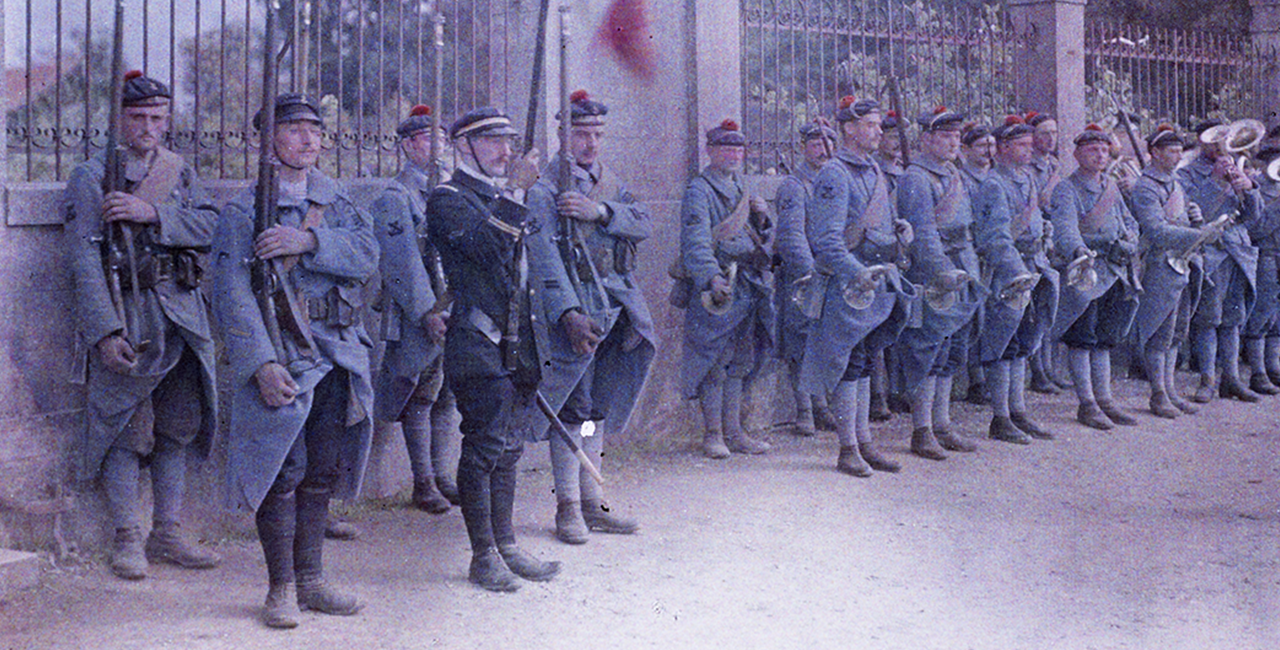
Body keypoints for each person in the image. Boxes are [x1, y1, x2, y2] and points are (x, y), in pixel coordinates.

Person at [214, 93, 377, 627]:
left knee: (323, 467)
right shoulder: (244, 209)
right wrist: (260, 364)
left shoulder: (339, 201)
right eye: (293, 130)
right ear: (268, 140)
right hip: (282, 355)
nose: (308, 140)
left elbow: (367, 257)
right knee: (283, 469)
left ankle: (311, 580)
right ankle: (280, 587)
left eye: (314, 130)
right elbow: (231, 293)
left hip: (337, 351)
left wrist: (308, 240)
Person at [65, 70, 221, 581]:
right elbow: (83, 259)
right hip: (128, 312)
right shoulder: (92, 176)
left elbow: (211, 225)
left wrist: (151, 211)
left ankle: (167, 531)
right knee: (125, 427)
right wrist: (104, 332)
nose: (148, 127)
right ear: (119, 119)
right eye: (138, 118)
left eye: (157, 118)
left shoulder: (180, 171)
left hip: (181, 315)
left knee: (177, 425)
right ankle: (127, 536)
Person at [424, 106, 580, 592]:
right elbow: (486, 248)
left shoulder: (503, 196)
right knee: (484, 445)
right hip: (477, 341)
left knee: (509, 449)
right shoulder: (448, 199)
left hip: (522, 341)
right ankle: (482, 554)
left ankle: (507, 544)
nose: (505, 151)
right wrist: (515, 194)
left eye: (508, 141)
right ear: (463, 146)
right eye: (491, 141)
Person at [527, 90, 652, 545]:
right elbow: (543, 258)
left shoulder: (609, 184)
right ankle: (567, 507)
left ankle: (592, 502)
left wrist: (599, 212)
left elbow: (643, 221)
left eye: (597, 133)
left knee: (594, 408)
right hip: (578, 314)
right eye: (581, 133)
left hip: (616, 307)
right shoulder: (545, 188)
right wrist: (568, 314)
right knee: (571, 407)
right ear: (563, 135)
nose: (591, 143)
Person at [801, 95, 917, 476]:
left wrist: (899, 230)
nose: (878, 131)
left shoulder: (873, 170)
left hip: (876, 281)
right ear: (849, 129)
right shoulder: (835, 174)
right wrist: (855, 272)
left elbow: (880, 220)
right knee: (848, 364)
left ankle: (865, 441)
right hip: (849, 286)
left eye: (878, 124)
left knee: (866, 360)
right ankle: (847, 448)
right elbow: (827, 240)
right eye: (870, 124)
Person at [368, 105, 457, 514]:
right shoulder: (395, 197)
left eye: (441, 139)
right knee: (418, 395)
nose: (437, 147)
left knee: (447, 395)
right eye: (427, 139)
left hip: (454, 307)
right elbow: (402, 262)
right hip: (416, 312)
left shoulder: (451, 190)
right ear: (407, 146)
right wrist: (427, 312)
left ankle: (443, 476)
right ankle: (422, 482)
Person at [675, 119, 775, 459]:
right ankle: (713, 434)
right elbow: (696, 242)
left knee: (741, 360)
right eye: (725, 148)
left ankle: (735, 433)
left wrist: (761, 218)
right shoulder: (699, 191)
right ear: (710, 151)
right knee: (714, 361)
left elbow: (753, 237)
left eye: (738, 149)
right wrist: (709, 277)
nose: (733, 154)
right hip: (719, 285)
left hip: (747, 285)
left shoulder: (739, 186)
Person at [895, 107, 983, 459]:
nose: (953, 143)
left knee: (952, 350)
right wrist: (943, 271)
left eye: (956, 136)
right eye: (945, 136)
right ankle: (922, 429)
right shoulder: (916, 178)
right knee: (928, 350)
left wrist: (966, 270)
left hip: (962, 265)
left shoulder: (953, 174)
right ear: (926, 139)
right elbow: (924, 234)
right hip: (935, 274)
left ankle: (943, 423)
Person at [1048, 125, 1142, 429]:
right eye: (1092, 150)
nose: (1100, 155)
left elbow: (1129, 222)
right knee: (1082, 338)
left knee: (1104, 339)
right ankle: (1086, 403)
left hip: (1114, 271)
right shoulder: (1067, 188)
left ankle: (1106, 401)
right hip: (1087, 271)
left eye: (1104, 150)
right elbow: (1065, 230)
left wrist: (1131, 240)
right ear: (1077, 155)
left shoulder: (1110, 185)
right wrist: (1079, 251)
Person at [972, 116, 1059, 444]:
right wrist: (1016, 273)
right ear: (1003, 148)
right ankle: (1001, 416)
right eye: (1020, 145)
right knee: (1002, 344)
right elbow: (995, 238)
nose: (1028, 149)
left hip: (1032, 267)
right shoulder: (995, 184)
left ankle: (1018, 410)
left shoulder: (1026, 179)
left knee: (1022, 343)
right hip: (1009, 276)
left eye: (1028, 143)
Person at [1130, 125, 1212, 417]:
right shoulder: (1145, 187)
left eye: (1180, 150)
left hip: (1182, 263)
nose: (1178, 155)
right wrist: (1195, 236)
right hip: (1158, 263)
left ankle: (1171, 390)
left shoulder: (1175, 183)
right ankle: (1158, 394)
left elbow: (1181, 216)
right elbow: (1155, 229)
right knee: (1159, 331)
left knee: (1177, 332)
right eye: (1172, 150)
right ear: (1155, 153)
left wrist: (1196, 220)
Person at [1181, 120, 1264, 403]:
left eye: (1223, 139)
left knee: (1234, 319)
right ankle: (1207, 379)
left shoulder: (1241, 167)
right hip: (1211, 251)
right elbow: (1193, 214)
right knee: (1208, 318)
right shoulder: (1188, 174)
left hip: (1238, 251)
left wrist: (1250, 187)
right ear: (1200, 142)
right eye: (1212, 140)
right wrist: (1216, 182)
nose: (1218, 145)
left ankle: (1232, 380)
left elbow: (1255, 218)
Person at [774, 120, 838, 437]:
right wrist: (810, 273)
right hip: (804, 277)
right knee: (801, 341)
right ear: (803, 148)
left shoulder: (835, 182)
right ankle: (804, 411)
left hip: (832, 274)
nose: (823, 151)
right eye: (815, 145)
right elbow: (790, 237)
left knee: (825, 340)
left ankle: (823, 406)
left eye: (827, 145)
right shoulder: (794, 186)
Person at [1025, 110, 1069, 393]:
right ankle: (1037, 370)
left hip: (1055, 241)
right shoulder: (1027, 167)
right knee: (1033, 307)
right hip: (1036, 240)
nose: (1050, 138)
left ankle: (1049, 367)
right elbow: (1035, 205)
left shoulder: (1055, 165)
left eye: (1054, 133)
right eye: (1044, 133)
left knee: (1050, 308)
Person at [959, 123, 996, 405]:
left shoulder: (995, 178)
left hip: (993, 252)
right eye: (981, 146)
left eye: (991, 145)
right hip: (971, 250)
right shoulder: (960, 179)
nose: (988, 151)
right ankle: (975, 378)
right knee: (974, 314)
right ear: (966, 150)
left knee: (993, 315)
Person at [1242, 146, 1280, 394]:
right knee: (1261, 313)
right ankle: (1257, 372)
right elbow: (1254, 229)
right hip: (1266, 256)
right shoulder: (1255, 188)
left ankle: (1273, 366)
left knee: (1278, 317)